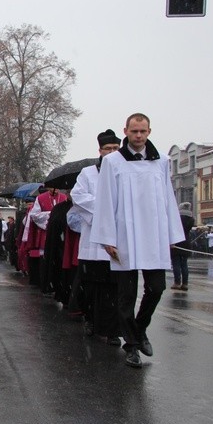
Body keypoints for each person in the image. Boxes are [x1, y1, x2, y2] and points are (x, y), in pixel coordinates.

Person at [92, 113, 184, 368]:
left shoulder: (162, 161)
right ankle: (131, 345)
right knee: (126, 295)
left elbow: (168, 197)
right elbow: (106, 200)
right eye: (134, 131)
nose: (139, 136)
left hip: (153, 233)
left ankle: (140, 329)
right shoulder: (113, 162)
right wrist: (107, 238)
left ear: (149, 131)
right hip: (125, 235)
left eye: (143, 131)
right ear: (126, 131)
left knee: (156, 288)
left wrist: (172, 234)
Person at [70, 129, 122, 345]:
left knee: (115, 290)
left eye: (115, 149)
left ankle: (112, 330)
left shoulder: (125, 170)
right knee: (91, 288)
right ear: (100, 150)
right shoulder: (88, 173)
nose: (111, 152)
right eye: (107, 149)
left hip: (118, 241)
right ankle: (91, 319)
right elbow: (78, 197)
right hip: (93, 242)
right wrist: (105, 207)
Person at [25, 187, 67, 288]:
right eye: (53, 187)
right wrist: (50, 215)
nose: (56, 189)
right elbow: (34, 215)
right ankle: (47, 283)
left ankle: (59, 284)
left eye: (58, 187)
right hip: (46, 233)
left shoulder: (64, 197)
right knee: (47, 259)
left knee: (60, 258)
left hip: (62, 233)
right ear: (49, 187)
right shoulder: (40, 198)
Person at [170, 202, 195, 291]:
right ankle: (185, 283)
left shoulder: (177, 218)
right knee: (184, 264)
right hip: (186, 243)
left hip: (176, 242)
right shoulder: (191, 219)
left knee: (176, 263)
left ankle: (177, 282)